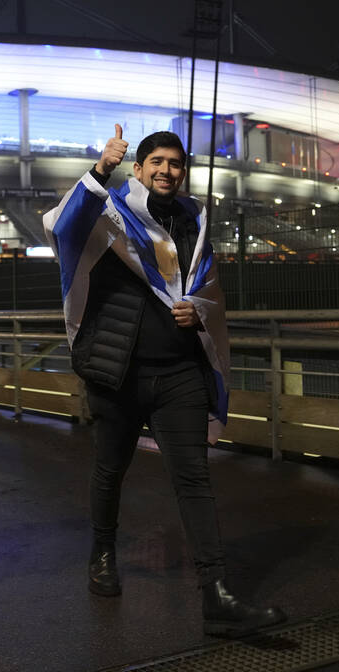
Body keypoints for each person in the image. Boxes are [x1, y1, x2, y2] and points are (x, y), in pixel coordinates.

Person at [42, 126, 286, 638]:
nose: (165, 170)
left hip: (179, 372)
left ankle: (216, 594)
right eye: (155, 161)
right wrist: (99, 168)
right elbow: (63, 229)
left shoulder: (194, 220)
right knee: (110, 471)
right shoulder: (108, 212)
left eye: (175, 163)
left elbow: (208, 288)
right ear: (138, 168)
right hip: (118, 371)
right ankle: (103, 553)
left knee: (194, 479)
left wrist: (196, 310)